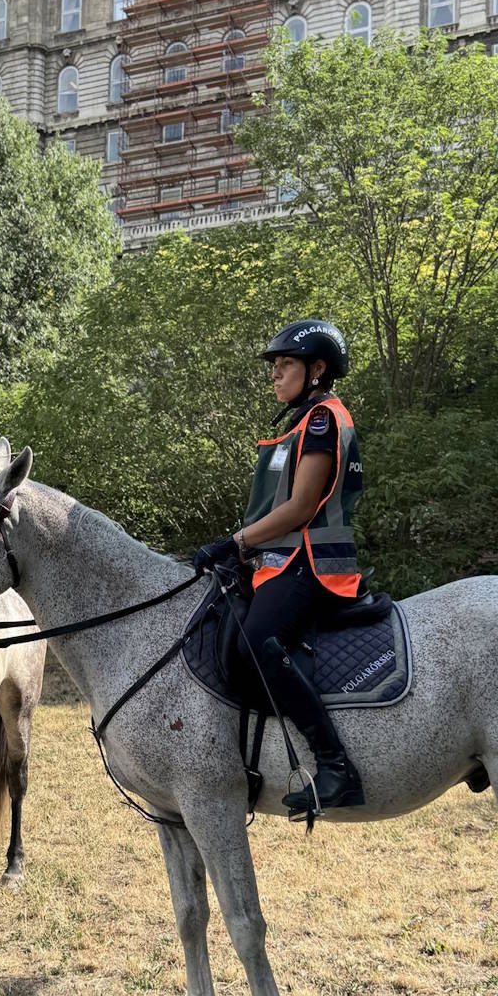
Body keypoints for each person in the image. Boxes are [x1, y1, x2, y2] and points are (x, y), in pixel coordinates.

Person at [194, 320, 365, 815]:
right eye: (275, 366)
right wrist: (245, 551)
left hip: (314, 564)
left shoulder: (322, 419)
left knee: (258, 645)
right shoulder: (297, 422)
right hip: (280, 563)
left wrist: (232, 542)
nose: (275, 375)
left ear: (316, 370)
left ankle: (335, 765)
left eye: (285, 365)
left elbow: (302, 507)